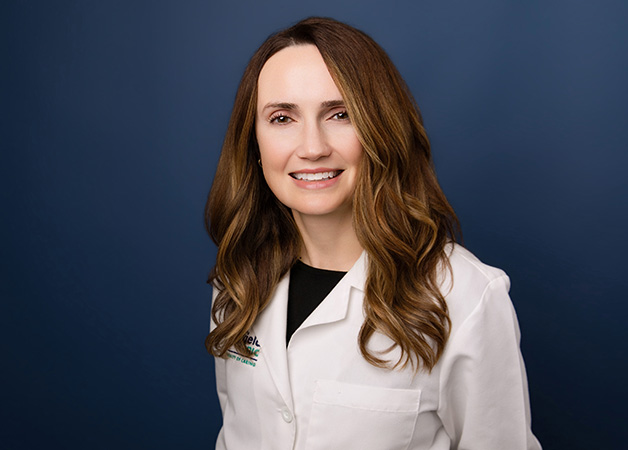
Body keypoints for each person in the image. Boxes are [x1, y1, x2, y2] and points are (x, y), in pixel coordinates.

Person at [204, 16, 541, 450]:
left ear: (381, 129)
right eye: (282, 117)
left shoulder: (465, 297)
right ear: (253, 142)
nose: (312, 147)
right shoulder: (239, 278)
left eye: (340, 114)